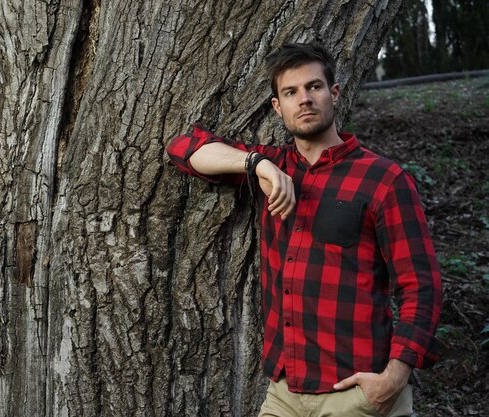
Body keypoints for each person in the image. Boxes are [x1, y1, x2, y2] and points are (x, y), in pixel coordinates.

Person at [166, 43, 444, 417]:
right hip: (284, 394)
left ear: (334, 92)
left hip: (356, 393)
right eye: (290, 92)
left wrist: (394, 378)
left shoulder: (384, 179)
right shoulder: (275, 167)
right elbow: (184, 149)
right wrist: (258, 165)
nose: (304, 100)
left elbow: (421, 286)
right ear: (277, 106)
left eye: (314, 87)